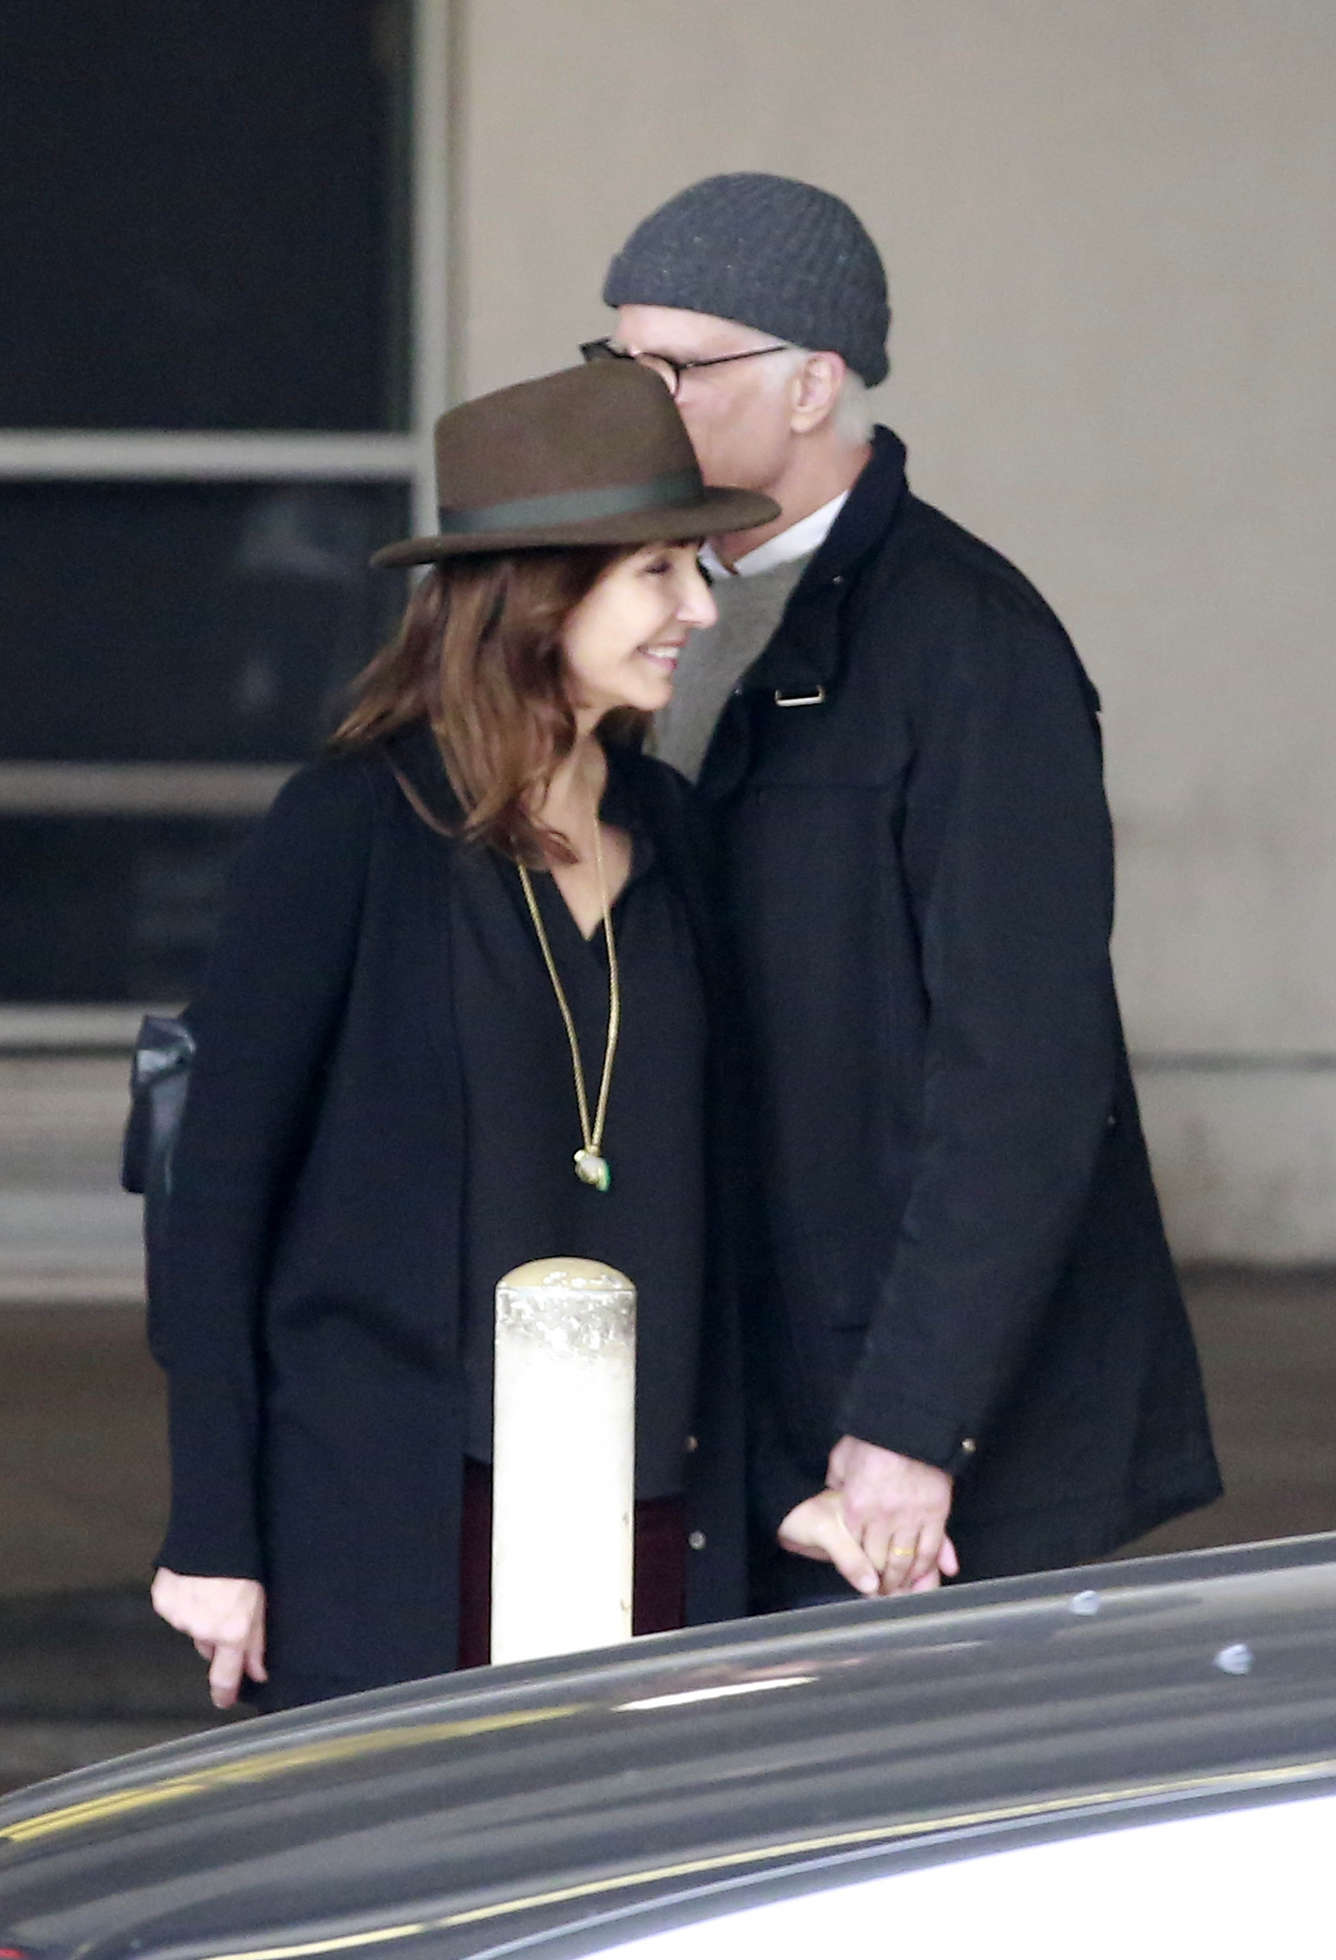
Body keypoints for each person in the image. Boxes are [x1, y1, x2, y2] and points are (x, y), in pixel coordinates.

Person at [589, 173, 1222, 1608]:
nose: (635, 402)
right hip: (717, 1360)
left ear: (814, 383)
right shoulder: (636, 618)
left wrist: (912, 1426)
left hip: (892, 1408)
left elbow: (1026, 1074)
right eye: (616, 362)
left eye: (677, 368)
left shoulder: (969, 648)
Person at [147, 361, 782, 1711]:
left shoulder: (677, 832)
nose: (697, 606)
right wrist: (213, 1531)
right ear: (539, 591)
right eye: (658, 571)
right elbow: (215, 1200)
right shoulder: (355, 831)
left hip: (653, 1506)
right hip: (398, 1522)